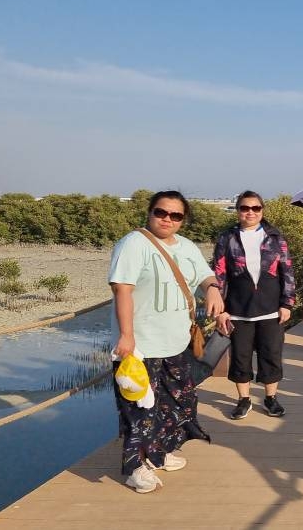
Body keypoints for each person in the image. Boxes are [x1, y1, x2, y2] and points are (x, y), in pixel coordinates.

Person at [109, 190, 224, 493]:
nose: (167, 219)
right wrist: (127, 335)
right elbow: (122, 289)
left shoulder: (186, 247)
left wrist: (212, 288)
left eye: (176, 215)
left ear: (183, 220)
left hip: (176, 341)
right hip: (141, 344)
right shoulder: (134, 244)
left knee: (178, 402)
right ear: (149, 212)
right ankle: (136, 468)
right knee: (140, 409)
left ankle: (161, 453)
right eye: (161, 212)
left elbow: (205, 275)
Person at [212, 191, 296, 420]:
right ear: (238, 210)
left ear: (262, 210)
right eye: (245, 208)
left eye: (255, 208)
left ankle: (271, 398)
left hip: (271, 308)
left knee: (271, 354)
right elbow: (219, 274)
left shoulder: (275, 237)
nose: (250, 212)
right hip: (238, 309)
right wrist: (220, 310)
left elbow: (287, 272)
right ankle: (244, 399)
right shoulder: (226, 238)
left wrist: (287, 303)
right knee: (240, 357)